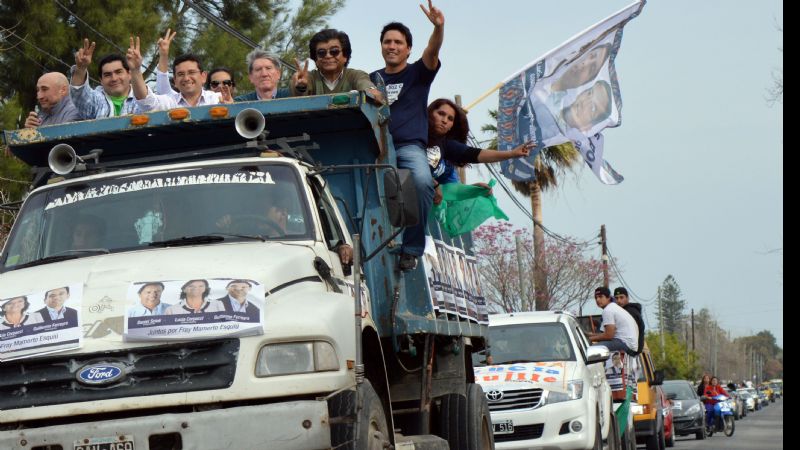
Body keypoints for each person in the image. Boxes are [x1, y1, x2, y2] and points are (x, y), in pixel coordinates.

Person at [370, 0, 445, 271]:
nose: (392, 46)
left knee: (423, 182)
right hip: (376, 148)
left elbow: (432, 50)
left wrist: (438, 28)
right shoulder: (371, 79)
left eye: (398, 42)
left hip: (408, 147)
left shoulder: (418, 73)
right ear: (381, 46)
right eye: (387, 42)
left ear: (408, 48)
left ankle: (412, 249)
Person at [426, 98, 533, 204]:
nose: (444, 121)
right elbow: (412, 167)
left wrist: (511, 154)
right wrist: (433, 184)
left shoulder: (447, 151)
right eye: (441, 114)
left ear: (452, 126)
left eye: (450, 119)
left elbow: (475, 154)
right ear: (429, 113)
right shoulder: (414, 134)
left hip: (420, 208)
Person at [127, 36, 231, 112]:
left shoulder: (216, 99)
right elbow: (146, 102)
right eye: (181, 74)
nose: (186, 78)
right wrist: (136, 70)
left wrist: (231, 108)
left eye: (191, 72)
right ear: (175, 81)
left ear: (203, 77)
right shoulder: (169, 102)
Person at [291, 28, 382, 102]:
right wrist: (301, 87)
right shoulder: (309, 78)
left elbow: (364, 83)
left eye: (334, 51)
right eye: (322, 53)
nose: (328, 56)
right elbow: (298, 100)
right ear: (316, 59)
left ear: (345, 56)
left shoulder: (355, 75)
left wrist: (370, 90)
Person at [152, 29, 238, 97]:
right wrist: (163, 55)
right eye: (215, 84)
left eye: (226, 83)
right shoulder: (174, 101)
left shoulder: (217, 101)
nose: (220, 87)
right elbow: (163, 93)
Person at [69, 39, 137, 119]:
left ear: (129, 74)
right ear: (101, 80)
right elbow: (79, 95)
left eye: (118, 72)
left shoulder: (143, 97)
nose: (114, 78)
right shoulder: (96, 99)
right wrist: (81, 68)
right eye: (107, 75)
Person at [587, 286, 639, 354]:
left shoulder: (608, 310)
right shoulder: (614, 307)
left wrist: (589, 339)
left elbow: (609, 335)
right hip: (629, 344)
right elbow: (606, 334)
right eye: (596, 298)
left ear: (608, 297)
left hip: (625, 344)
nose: (598, 300)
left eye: (600, 296)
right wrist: (590, 335)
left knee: (591, 349)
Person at [613, 286, 645, 355]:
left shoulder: (630, 312)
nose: (618, 301)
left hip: (630, 351)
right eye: (616, 298)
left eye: (621, 297)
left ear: (627, 298)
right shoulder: (622, 311)